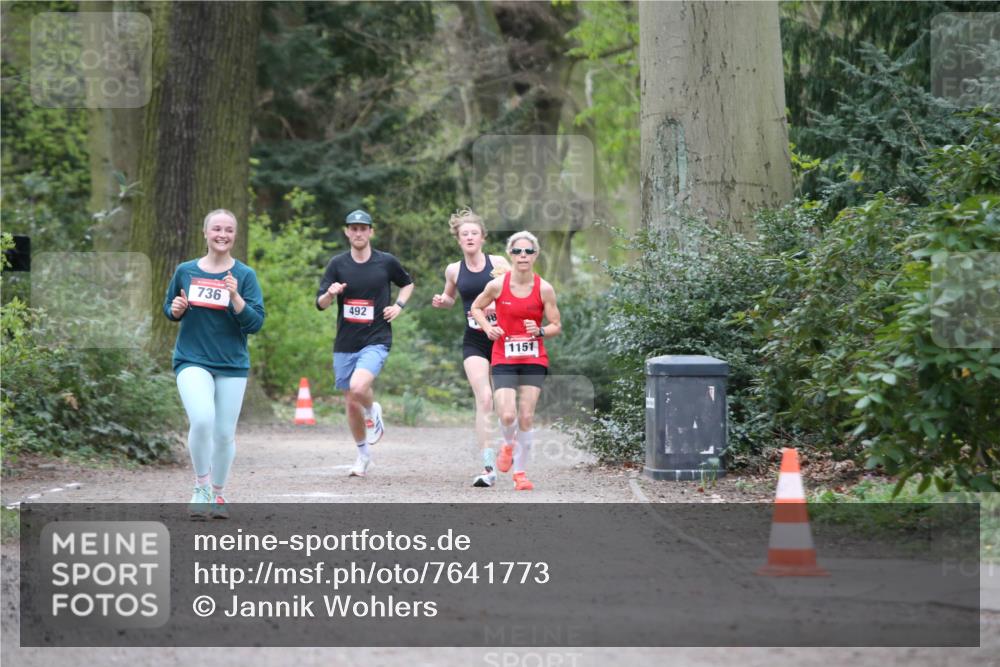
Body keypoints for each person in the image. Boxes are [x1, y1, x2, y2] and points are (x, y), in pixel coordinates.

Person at [163, 209, 265, 519]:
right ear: (205, 233)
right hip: (192, 359)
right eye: (217, 229)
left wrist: (235, 297)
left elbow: (255, 323)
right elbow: (170, 307)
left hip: (232, 364)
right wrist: (176, 308)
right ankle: (201, 486)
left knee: (223, 434)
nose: (222, 234)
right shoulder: (186, 270)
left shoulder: (244, 276)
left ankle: (218, 494)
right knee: (203, 419)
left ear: (235, 235)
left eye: (229, 230)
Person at [316, 209, 414, 477]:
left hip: (377, 338)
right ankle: (363, 456)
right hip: (346, 341)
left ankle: (373, 409)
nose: (358, 233)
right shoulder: (337, 264)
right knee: (350, 403)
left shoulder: (386, 262)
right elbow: (321, 304)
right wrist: (330, 293)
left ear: (371, 231)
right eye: (353, 228)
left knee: (359, 387)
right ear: (347, 232)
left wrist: (398, 306)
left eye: (363, 228)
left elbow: (407, 284)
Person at [470, 231, 561, 491]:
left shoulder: (544, 288)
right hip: (504, 357)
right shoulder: (497, 286)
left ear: (535, 255)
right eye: (518, 251)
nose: (523, 256)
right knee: (507, 414)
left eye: (528, 251)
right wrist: (488, 328)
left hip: (533, 357)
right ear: (510, 254)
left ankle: (520, 474)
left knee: (526, 416)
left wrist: (541, 330)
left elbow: (556, 324)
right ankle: (507, 444)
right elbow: (476, 308)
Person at [431, 209, 511, 487]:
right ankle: (488, 466)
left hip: (502, 339)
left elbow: (518, 291)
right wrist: (443, 301)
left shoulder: (499, 263)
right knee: (484, 399)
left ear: (482, 238)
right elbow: (451, 297)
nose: (469, 237)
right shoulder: (453, 270)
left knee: (504, 404)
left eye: (473, 233)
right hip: (474, 339)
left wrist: (497, 303)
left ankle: (509, 446)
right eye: (464, 233)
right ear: (458, 239)